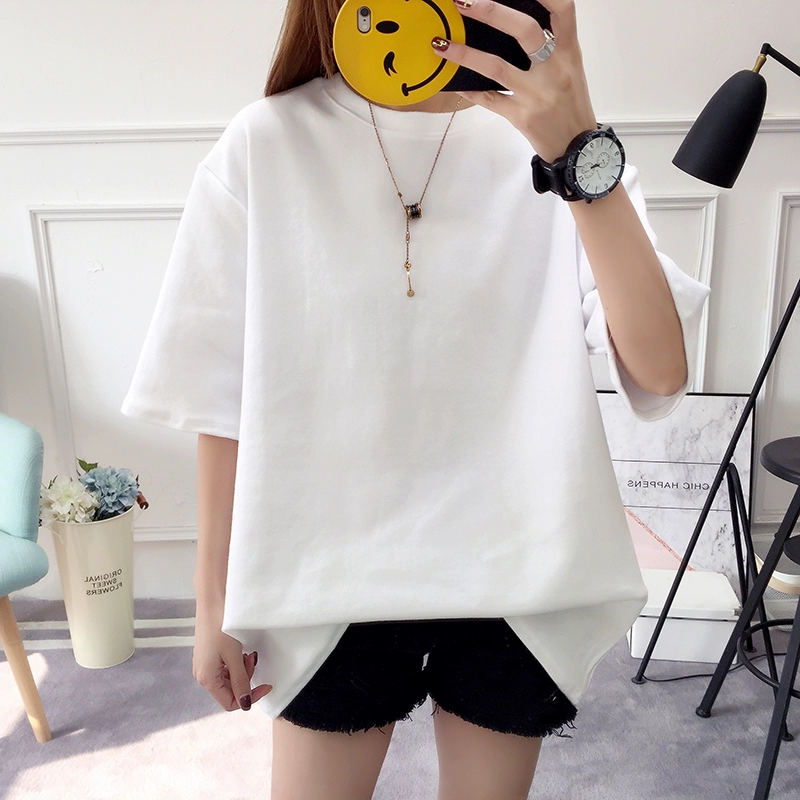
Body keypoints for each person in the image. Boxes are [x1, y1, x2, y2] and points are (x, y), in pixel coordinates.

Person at [120, 0, 711, 797]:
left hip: (518, 571)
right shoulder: (268, 141)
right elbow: (220, 391)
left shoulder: (556, 145)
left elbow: (661, 371)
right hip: (328, 575)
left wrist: (577, 152)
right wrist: (212, 603)